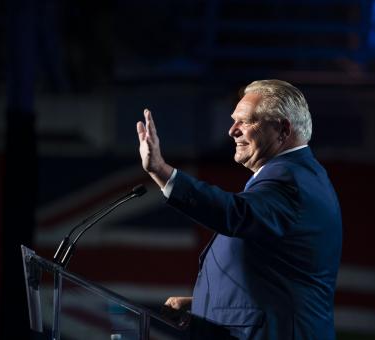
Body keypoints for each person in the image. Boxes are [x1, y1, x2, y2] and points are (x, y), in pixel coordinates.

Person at [137, 79, 342, 339]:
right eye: (234, 120)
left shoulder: (291, 180)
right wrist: (201, 304)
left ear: (282, 129)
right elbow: (274, 277)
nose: (232, 130)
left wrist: (162, 171)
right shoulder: (297, 174)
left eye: (246, 121)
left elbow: (235, 214)